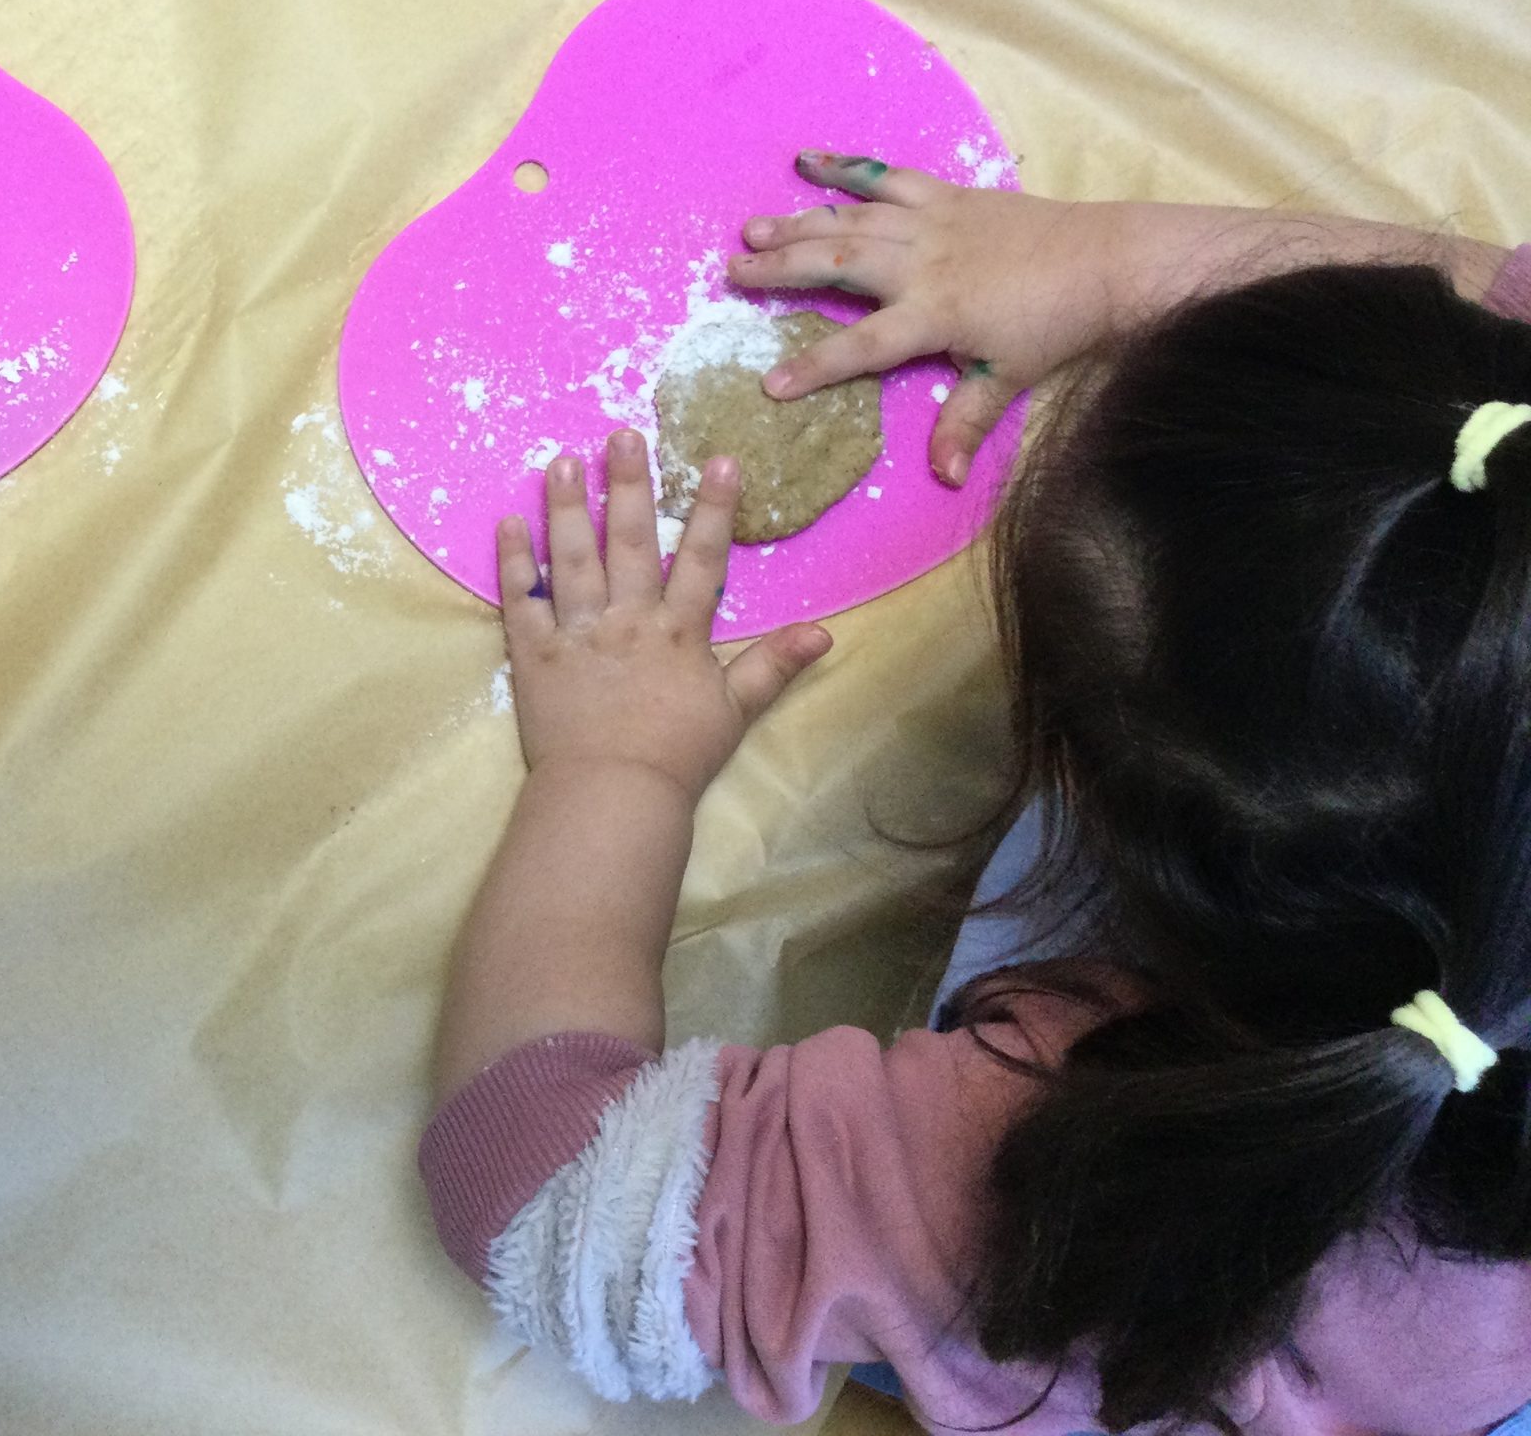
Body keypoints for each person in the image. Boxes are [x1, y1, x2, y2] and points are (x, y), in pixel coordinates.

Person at [421, 158, 1531, 1435]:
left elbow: (539, 1191)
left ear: (1110, 805)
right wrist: (1108, 259)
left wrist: (616, 769)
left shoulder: (1055, 1168)